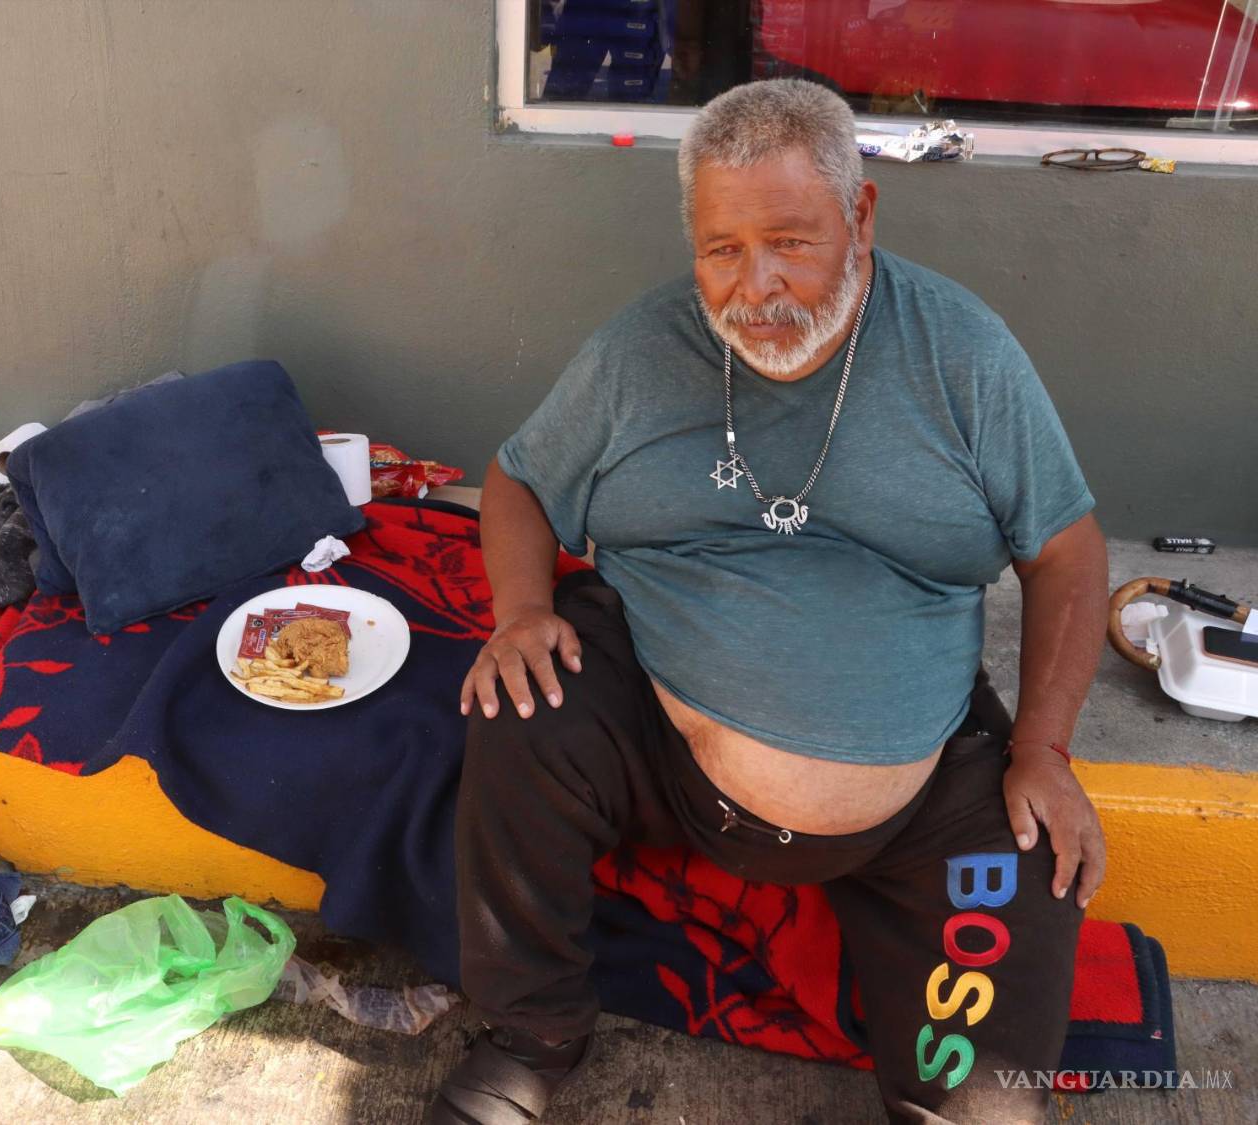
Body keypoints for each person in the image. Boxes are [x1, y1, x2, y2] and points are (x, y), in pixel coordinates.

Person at [426, 79, 1109, 1125]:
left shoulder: (960, 355)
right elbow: (518, 479)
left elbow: (1063, 551)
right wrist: (521, 611)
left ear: (860, 217)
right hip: (660, 738)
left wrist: (1044, 749)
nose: (754, 288)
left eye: (789, 241)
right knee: (519, 711)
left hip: (917, 792)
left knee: (1014, 954)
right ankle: (531, 1035)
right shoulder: (641, 350)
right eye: (720, 250)